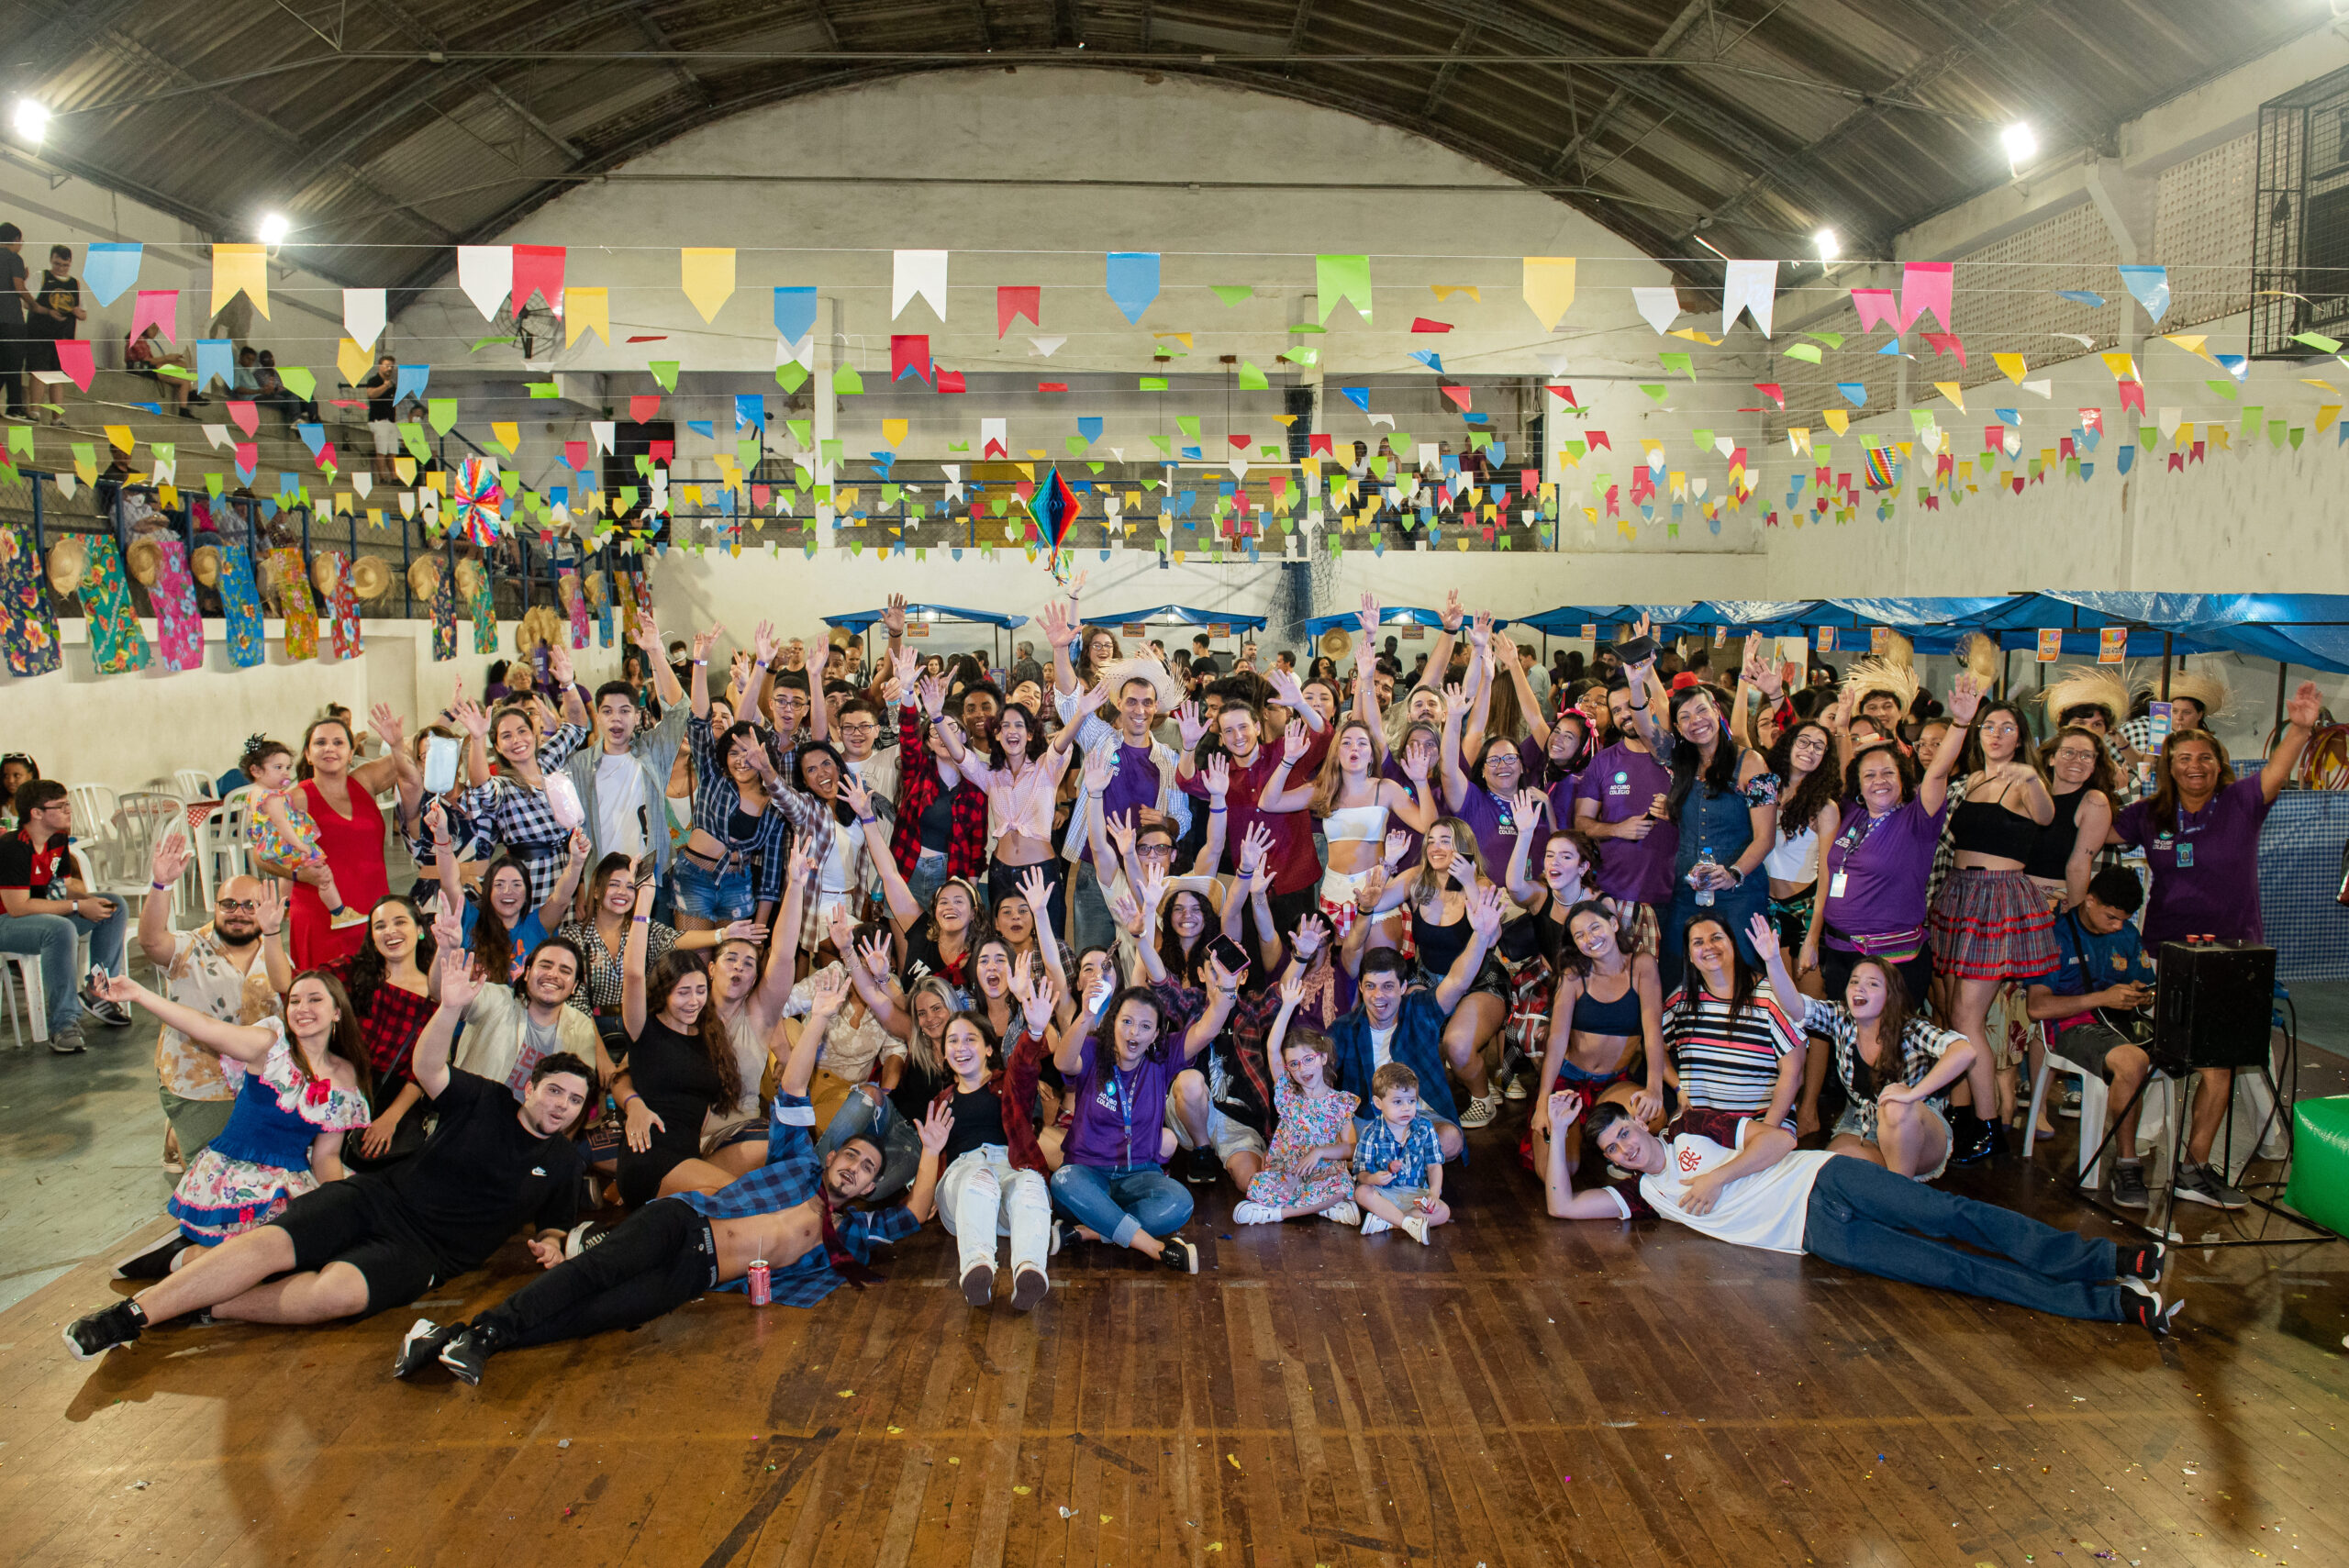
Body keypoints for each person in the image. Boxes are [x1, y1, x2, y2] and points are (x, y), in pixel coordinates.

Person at [406, 952, 953, 1384]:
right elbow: (791, 1088)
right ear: (830, 1156)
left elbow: (912, 1214)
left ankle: (464, 1336)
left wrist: (930, 1150)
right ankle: (485, 1332)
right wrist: (820, 1021)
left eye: (866, 1171)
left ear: (865, 1189)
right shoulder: (798, 1164)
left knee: (601, 1311)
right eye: (851, 1156)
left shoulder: (854, 1234)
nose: (855, 1169)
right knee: (590, 1274)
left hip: (700, 1273)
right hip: (683, 1221)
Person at [63, 940, 591, 1360]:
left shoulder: (563, 1162)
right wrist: (450, 1008)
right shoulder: (485, 1098)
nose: (562, 1104)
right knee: (274, 1244)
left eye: (574, 1100)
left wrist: (548, 1242)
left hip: (427, 1254)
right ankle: (126, 1318)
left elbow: (555, 1223)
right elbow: (429, 1067)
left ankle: (205, 1298)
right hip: (379, 1198)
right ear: (530, 1088)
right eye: (555, 1091)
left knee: (337, 1294)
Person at [1537, 1096, 2177, 1333]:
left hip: (1824, 1175)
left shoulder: (1693, 1128)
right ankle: (2116, 1306)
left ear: (1638, 1121)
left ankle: (2111, 1259)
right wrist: (1560, 1130)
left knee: (1955, 1214)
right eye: (1612, 1150)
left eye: (1623, 1132)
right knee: (1951, 1270)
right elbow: (1561, 1204)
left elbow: (1781, 1138)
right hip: (1818, 1234)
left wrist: (1717, 1177)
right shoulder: (1645, 1198)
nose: (1624, 1147)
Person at [2103, 682, 2326, 1208]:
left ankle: (2194, 1167)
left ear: (2219, 764)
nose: (2194, 766)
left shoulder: (2243, 802)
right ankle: (2128, 1162)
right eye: (2183, 758)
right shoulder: (2149, 813)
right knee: (2144, 1058)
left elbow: (2277, 768)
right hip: (2163, 955)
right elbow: (2095, 832)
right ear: (2168, 766)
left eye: (2204, 757)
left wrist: (2299, 727)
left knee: (2219, 1066)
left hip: (2233, 958)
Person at [105, 965, 374, 1281]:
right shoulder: (269, 1047)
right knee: (258, 1265)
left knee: (313, 1254)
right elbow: (204, 1026)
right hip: (237, 1174)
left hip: (292, 1178)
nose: (302, 1009)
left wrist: (334, 1205)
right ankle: (177, 1256)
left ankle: (187, 1252)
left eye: (315, 1000)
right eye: (296, 1001)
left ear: (337, 1012)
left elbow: (326, 1155)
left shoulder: (344, 1074)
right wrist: (139, 994)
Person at [1932, 694, 2057, 1162]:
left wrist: (2030, 777)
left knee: (1967, 1017)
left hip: (1999, 900)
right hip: (1960, 893)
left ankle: (1987, 1124)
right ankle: (1969, 1118)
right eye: (1990, 726)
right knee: (1956, 1014)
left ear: (2021, 736)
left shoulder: (2027, 781)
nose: (1997, 734)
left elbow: (2046, 818)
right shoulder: (1968, 782)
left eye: (2007, 727)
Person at [137, 833, 293, 1171]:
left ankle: (180, 1133)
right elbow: (150, 942)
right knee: (214, 1173)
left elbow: (290, 993)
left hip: (258, 1081)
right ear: (216, 907)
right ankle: (182, 1129)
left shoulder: (275, 951)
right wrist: (161, 886)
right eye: (229, 905)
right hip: (199, 1084)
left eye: (250, 906)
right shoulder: (189, 947)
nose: (238, 913)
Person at [1325, 885, 1508, 1162]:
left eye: (1388, 986)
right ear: (1361, 989)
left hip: (1418, 1117)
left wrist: (1481, 936)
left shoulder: (1419, 1010)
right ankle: (1397, 1165)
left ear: (1403, 987)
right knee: (1335, 1139)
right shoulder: (1344, 1028)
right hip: (1367, 1122)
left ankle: (1385, 1165)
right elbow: (1320, 1078)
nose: (1379, 996)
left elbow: (1457, 982)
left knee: (1451, 1139)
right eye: (1371, 987)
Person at [2023, 866, 2167, 1209]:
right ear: (2089, 900)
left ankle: (2195, 1170)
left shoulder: (2127, 933)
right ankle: (2127, 1165)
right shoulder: (2055, 934)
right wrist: (2102, 999)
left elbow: (2145, 984)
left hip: (2120, 1025)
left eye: (2124, 919)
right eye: (2111, 917)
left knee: (2201, 1056)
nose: (2118, 926)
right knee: (2133, 1062)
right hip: (2070, 1027)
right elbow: (2037, 1008)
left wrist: (2140, 995)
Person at [1047, 983, 1205, 1273]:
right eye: (1127, 1022)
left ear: (1156, 1034)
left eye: (1145, 1026)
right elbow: (1063, 1061)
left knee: (1180, 1202)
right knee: (1063, 1181)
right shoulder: (1094, 1050)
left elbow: (1205, 1030)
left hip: (1140, 1175)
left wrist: (1228, 990)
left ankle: (1087, 1231)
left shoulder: (1160, 1059)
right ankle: (1154, 1248)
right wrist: (1085, 1015)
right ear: (1114, 1021)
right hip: (1088, 1174)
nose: (1134, 1032)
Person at [935, 962, 1056, 1308]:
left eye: (970, 1039)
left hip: (1009, 1178)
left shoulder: (1008, 1085)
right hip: (963, 1187)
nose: (961, 1047)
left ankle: (1030, 1272)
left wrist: (1035, 1029)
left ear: (989, 1048)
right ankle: (977, 1269)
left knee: (1033, 1183)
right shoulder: (940, 1102)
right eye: (952, 1041)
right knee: (980, 1177)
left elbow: (1023, 1064)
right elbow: (931, 1155)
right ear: (944, 1052)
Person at [254, 708, 409, 970]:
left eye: (339, 742)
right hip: (321, 916)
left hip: (373, 910)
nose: (330, 749)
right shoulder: (297, 798)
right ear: (308, 754)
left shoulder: (365, 781)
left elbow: (414, 748)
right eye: (320, 743)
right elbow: (261, 855)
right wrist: (300, 876)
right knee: (327, 999)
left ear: (351, 753)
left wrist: (448, 716)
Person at [1524, 898, 1665, 1174]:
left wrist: (1654, 1088)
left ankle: (1617, 1152)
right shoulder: (1573, 975)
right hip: (1569, 1081)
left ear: (1613, 924)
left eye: (1595, 927)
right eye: (1580, 935)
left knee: (1654, 1115)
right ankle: (1584, 1139)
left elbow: (1652, 1033)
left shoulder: (1643, 966)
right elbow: (1556, 1041)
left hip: (1615, 1083)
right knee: (1558, 1171)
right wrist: (1543, 1103)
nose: (1590, 938)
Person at [0, 778, 131, 1051]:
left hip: (40, 915)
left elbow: (67, 885)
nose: (68, 811)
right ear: (36, 813)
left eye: (67, 804)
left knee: (113, 907)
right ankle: (63, 1023)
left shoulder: (57, 839)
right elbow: (18, 907)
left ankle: (99, 991)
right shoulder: (13, 848)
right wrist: (77, 908)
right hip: (7, 923)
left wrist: (90, 900)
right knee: (60, 929)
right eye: (60, 806)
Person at [452, 657, 593, 911]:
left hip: (570, 880)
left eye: (522, 731)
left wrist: (568, 684)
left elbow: (577, 727)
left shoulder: (548, 763)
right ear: (497, 746)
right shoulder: (505, 787)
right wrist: (477, 737)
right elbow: (482, 787)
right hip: (533, 888)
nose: (517, 740)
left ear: (534, 733)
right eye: (506, 736)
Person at [565, 612, 690, 882]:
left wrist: (656, 651)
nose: (616, 719)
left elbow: (679, 712)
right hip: (601, 877)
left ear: (637, 716)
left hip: (651, 873)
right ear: (597, 717)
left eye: (624, 711)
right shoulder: (580, 764)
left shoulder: (652, 751)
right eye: (607, 711)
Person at [1231, 970, 1363, 1225]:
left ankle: (1280, 1214)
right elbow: (1272, 1048)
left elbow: (1351, 1148)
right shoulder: (1289, 1094)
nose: (1303, 1069)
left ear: (1323, 1057)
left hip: (1323, 1174)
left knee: (1343, 1185)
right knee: (1256, 1185)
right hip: (1289, 1173)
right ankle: (1322, 1207)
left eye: (1309, 1060)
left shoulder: (1341, 1102)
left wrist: (1320, 1152)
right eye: (1294, 1064)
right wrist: (1288, 1006)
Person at [240, 738, 368, 929]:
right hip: (286, 843)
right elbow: (282, 824)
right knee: (323, 874)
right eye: (278, 767)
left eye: (287, 767)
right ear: (256, 771)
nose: (285, 773)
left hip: (271, 847)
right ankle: (339, 912)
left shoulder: (255, 792)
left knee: (287, 873)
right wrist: (301, 845)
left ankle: (286, 905)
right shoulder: (272, 797)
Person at [1352, 1062, 1450, 1244]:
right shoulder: (1370, 1133)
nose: (1406, 1108)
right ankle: (1405, 1222)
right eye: (1397, 1102)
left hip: (1416, 1194)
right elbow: (1361, 1173)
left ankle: (1388, 1222)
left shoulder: (1425, 1128)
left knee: (1443, 1212)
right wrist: (1374, 1179)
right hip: (1383, 1194)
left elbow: (1434, 1165)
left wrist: (1434, 1194)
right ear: (1378, 1103)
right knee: (1362, 1193)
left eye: (1411, 1101)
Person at [2027, 726, 2120, 914]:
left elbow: (2078, 866)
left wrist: (2075, 922)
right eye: (2069, 752)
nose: (2077, 760)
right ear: (2052, 758)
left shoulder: (2094, 801)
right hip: (2012, 899)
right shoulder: (2032, 794)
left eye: (2087, 755)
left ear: (2094, 765)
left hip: (2053, 906)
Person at [27, 244, 83, 421]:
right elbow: (27, 302)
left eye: (65, 265)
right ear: (51, 260)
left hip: (64, 337)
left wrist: (73, 310)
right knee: (38, 372)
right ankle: (34, 411)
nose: (61, 268)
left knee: (58, 377)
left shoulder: (75, 284)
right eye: (57, 264)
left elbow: (83, 314)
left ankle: (57, 418)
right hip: (39, 333)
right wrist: (48, 311)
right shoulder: (41, 277)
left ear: (70, 264)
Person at [354, 352, 400, 483]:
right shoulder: (374, 381)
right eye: (386, 366)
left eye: (391, 366)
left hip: (390, 420)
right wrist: (385, 386)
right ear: (380, 366)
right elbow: (371, 394)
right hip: (378, 420)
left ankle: (394, 476)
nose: (389, 369)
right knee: (381, 450)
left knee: (392, 451)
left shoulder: (393, 385)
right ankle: (382, 477)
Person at [0, 222, 29, 419]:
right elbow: (18, 287)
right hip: (11, 319)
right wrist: (36, 306)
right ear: (16, 239)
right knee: (13, 363)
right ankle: (15, 407)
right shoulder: (14, 258)